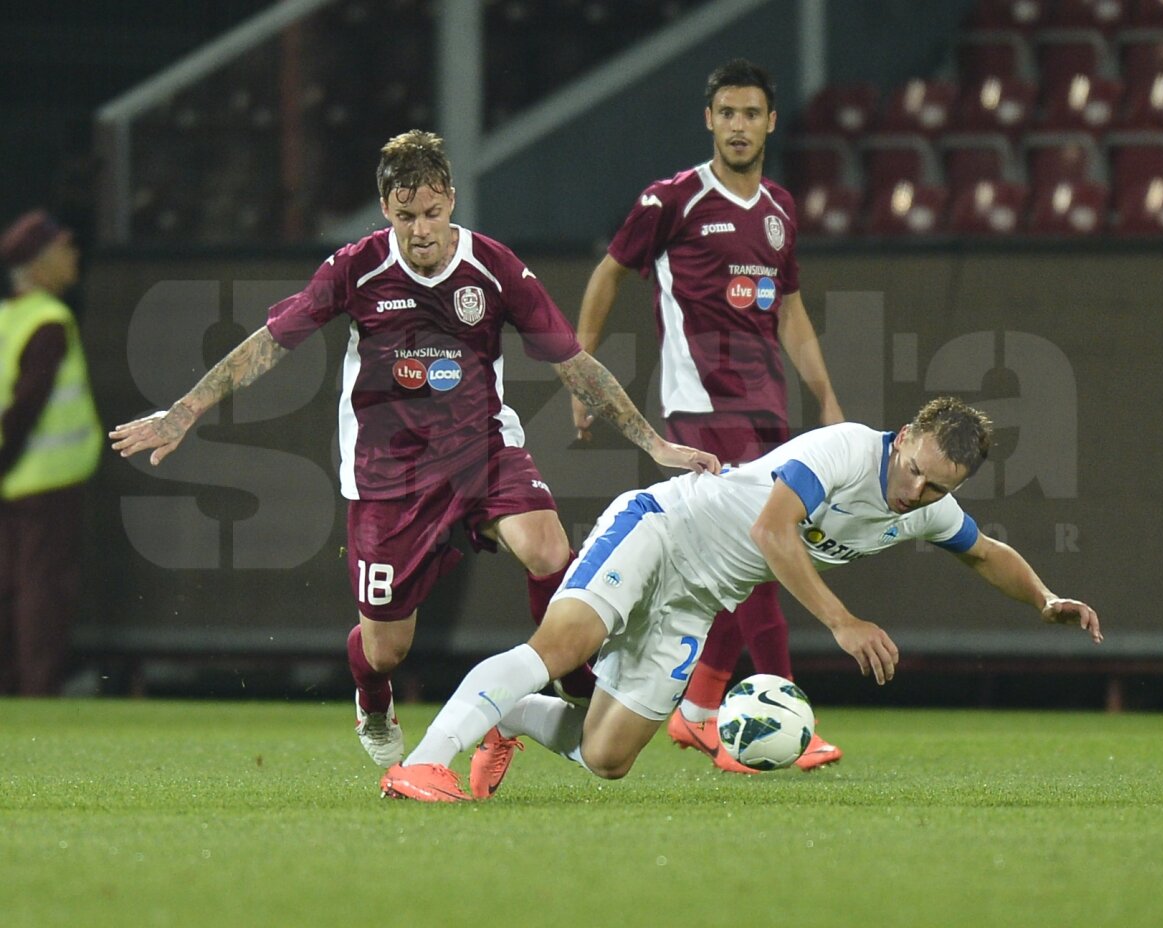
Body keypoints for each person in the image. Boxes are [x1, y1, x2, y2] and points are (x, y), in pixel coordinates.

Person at [110, 131, 718, 765]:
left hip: (482, 450)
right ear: (385, 209)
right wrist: (185, 411)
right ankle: (373, 698)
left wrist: (653, 442)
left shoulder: (494, 268)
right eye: (406, 216)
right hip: (389, 474)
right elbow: (270, 343)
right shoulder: (357, 268)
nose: (421, 230)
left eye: (431, 212)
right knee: (385, 649)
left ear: (451, 199)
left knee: (547, 547)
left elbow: (573, 362)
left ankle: (571, 679)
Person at [381, 396, 1103, 802]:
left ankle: (507, 714)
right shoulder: (847, 450)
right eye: (916, 470)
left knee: (606, 758)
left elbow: (984, 551)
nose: (917, 492)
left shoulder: (925, 509)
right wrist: (843, 621)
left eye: (938, 487)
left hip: (695, 600)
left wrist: (1044, 598)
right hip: (661, 529)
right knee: (562, 647)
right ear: (905, 436)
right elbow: (772, 530)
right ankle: (423, 763)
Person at [572, 58, 845, 773]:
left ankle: (698, 712)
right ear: (709, 120)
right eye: (727, 113)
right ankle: (788, 711)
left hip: (766, 411)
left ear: (771, 122)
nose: (739, 126)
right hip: (699, 410)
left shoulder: (780, 209)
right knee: (764, 549)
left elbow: (790, 311)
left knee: (742, 569)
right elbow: (608, 272)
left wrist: (825, 396)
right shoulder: (673, 200)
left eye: (751, 113)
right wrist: (582, 370)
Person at [0, 210, 103, 695]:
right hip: (43, 479)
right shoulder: (49, 322)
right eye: (64, 247)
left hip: (13, 481)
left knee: (10, 585)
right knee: (42, 589)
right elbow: (25, 408)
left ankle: (12, 687)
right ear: (39, 263)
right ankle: (38, 690)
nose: (73, 255)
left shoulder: (7, 318)